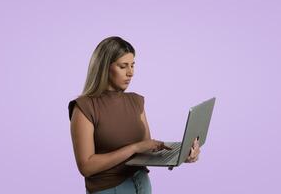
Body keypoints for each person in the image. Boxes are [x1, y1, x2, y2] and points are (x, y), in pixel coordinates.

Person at [68, 36, 201, 194]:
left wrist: (180, 156)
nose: (131, 73)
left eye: (132, 65)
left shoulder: (136, 101)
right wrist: (133, 148)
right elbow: (86, 166)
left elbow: (146, 150)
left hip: (142, 185)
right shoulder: (84, 107)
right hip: (110, 190)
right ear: (104, 68)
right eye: (123, 66)